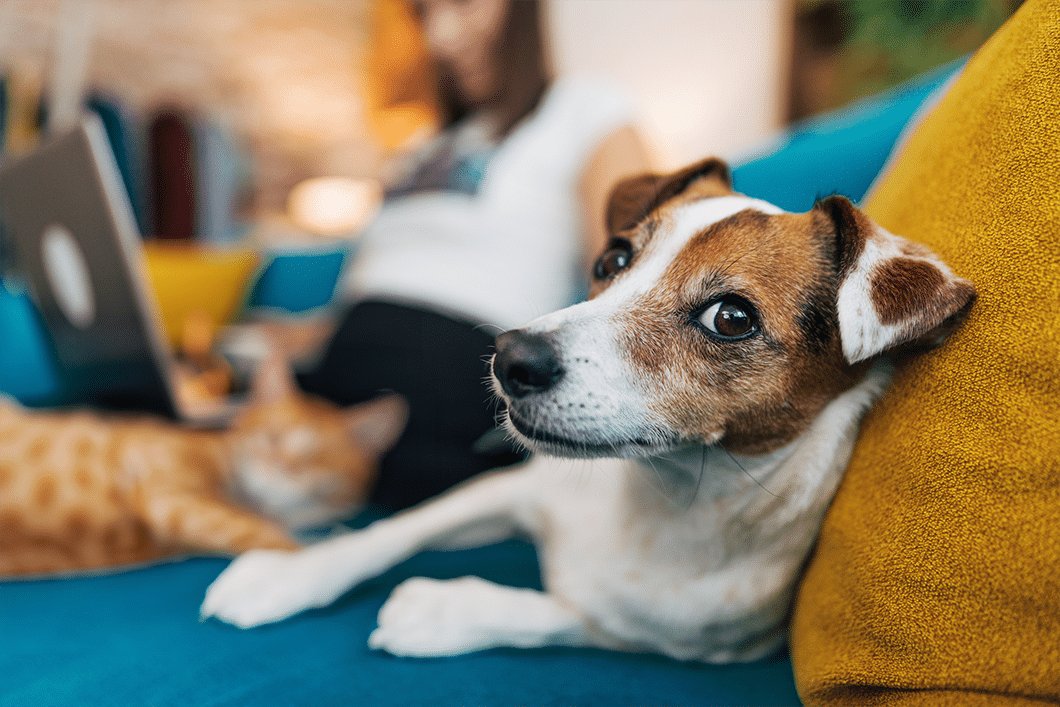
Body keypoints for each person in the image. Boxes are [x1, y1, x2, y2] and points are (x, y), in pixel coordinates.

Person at [297, 0, 652, 511]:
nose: (440, 37)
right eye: (425, 12)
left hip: (454, 387)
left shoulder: (587, 108)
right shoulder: (422, 145)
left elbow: (633, 273)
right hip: (334, 391)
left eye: (463, 4)